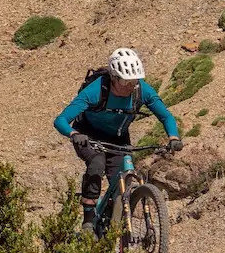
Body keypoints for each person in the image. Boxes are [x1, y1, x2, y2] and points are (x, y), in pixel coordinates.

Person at [54, 48, 181, 229]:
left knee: (123, 181)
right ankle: (88, 220)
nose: (130, 86)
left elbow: (166, 116)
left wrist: (173, 136)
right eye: (124, 81)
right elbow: (61, 120)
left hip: (118, 137)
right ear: (113, 77)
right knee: (97, 162)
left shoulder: (141, 90)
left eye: (134, 81)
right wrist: (74, 134)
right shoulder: (96, 91)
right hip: (87, 135)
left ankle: (112, 220)